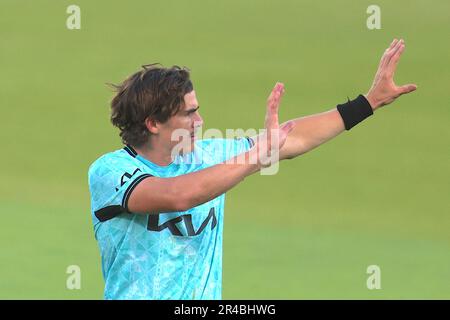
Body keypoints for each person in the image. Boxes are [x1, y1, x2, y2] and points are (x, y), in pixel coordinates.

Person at [88, 39, 416, 299]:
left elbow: (290, 138)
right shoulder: (111, 171)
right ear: (153, 123)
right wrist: (255, 158)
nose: (199, 122)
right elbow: (177, 195)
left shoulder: (209, 157)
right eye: (188, 114)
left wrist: (369, 102)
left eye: (197, 111)